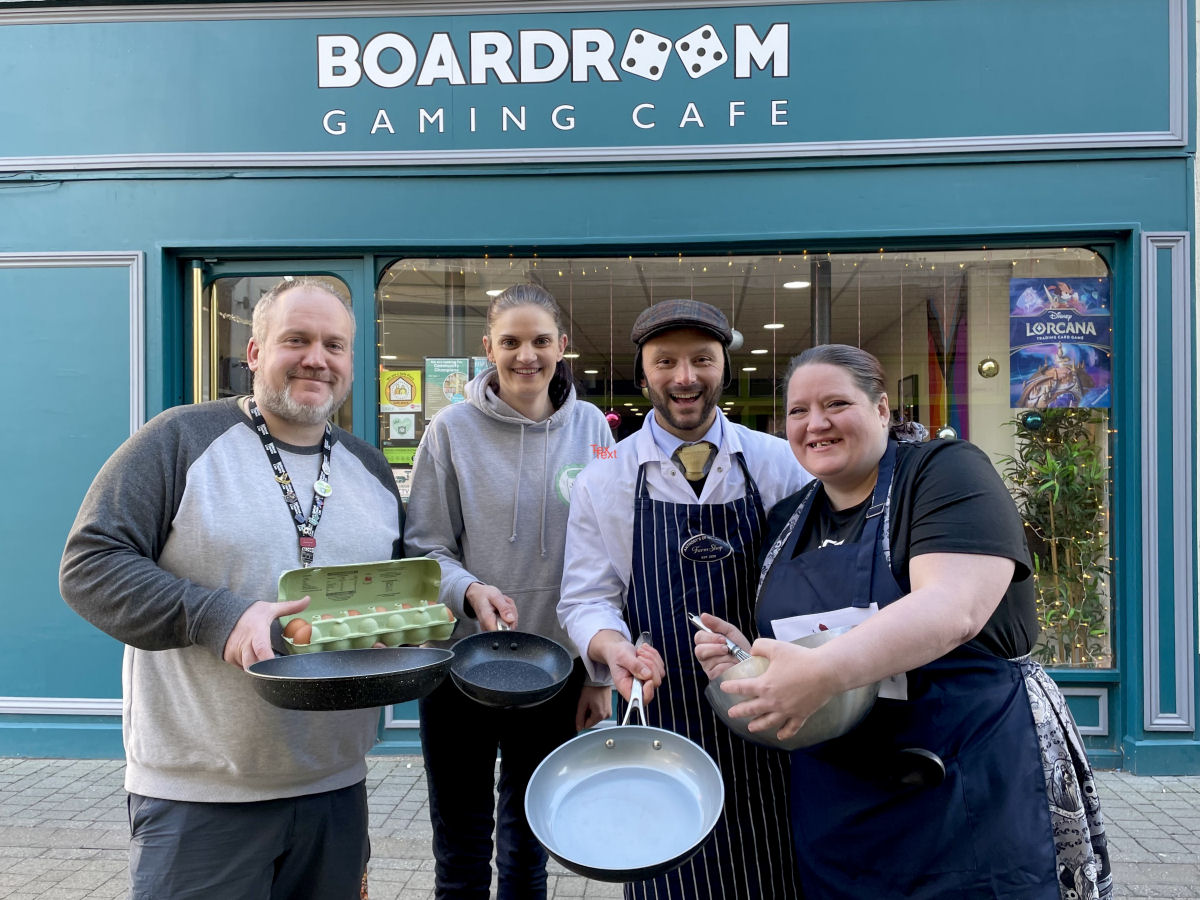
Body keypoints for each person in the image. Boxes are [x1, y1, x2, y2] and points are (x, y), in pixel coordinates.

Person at [695, 343, 1113, 899]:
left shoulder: (945, 473)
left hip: (964, 780)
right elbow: (807, 645)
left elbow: (953, 608)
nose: (815, 423)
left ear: (883, 410)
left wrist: (822, 674)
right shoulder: (786, 519)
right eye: (798, 411)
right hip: (839, 804)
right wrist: (751, 660)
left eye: (836, 403)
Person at [60, 277, 403, 900]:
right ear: (254, 353)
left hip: (335, 789)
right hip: (201, 795)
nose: (316, 359)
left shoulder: (371, 469)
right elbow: (89, 565)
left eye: (334, 345)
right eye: (295, 340)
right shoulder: (178, 440)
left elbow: (390, 598)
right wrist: (219, 617)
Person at [557, 298, 810, 899]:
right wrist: (614, 648)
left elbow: (813, 583)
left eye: (702, 359)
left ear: (724, 366)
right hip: (662, 719)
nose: (685, 377)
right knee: (670, 875)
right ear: (643, 373)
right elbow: (585, 599)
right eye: (665, 361)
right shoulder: (606, 479)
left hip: (774, 712)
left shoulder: (779, 464)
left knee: (779, 875)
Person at [403, 283, 616, 899]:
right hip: (459, 668)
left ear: (563, 346)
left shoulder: (596, 432)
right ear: (487, 349)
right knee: (462, 851)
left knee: (528, 852)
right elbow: (425, 547)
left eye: (541, 340)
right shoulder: (450, 430)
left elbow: (610, 563)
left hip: (556, 668)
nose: (528, 355)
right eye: (511, 342)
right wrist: (470, 589)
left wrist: (598, 678)